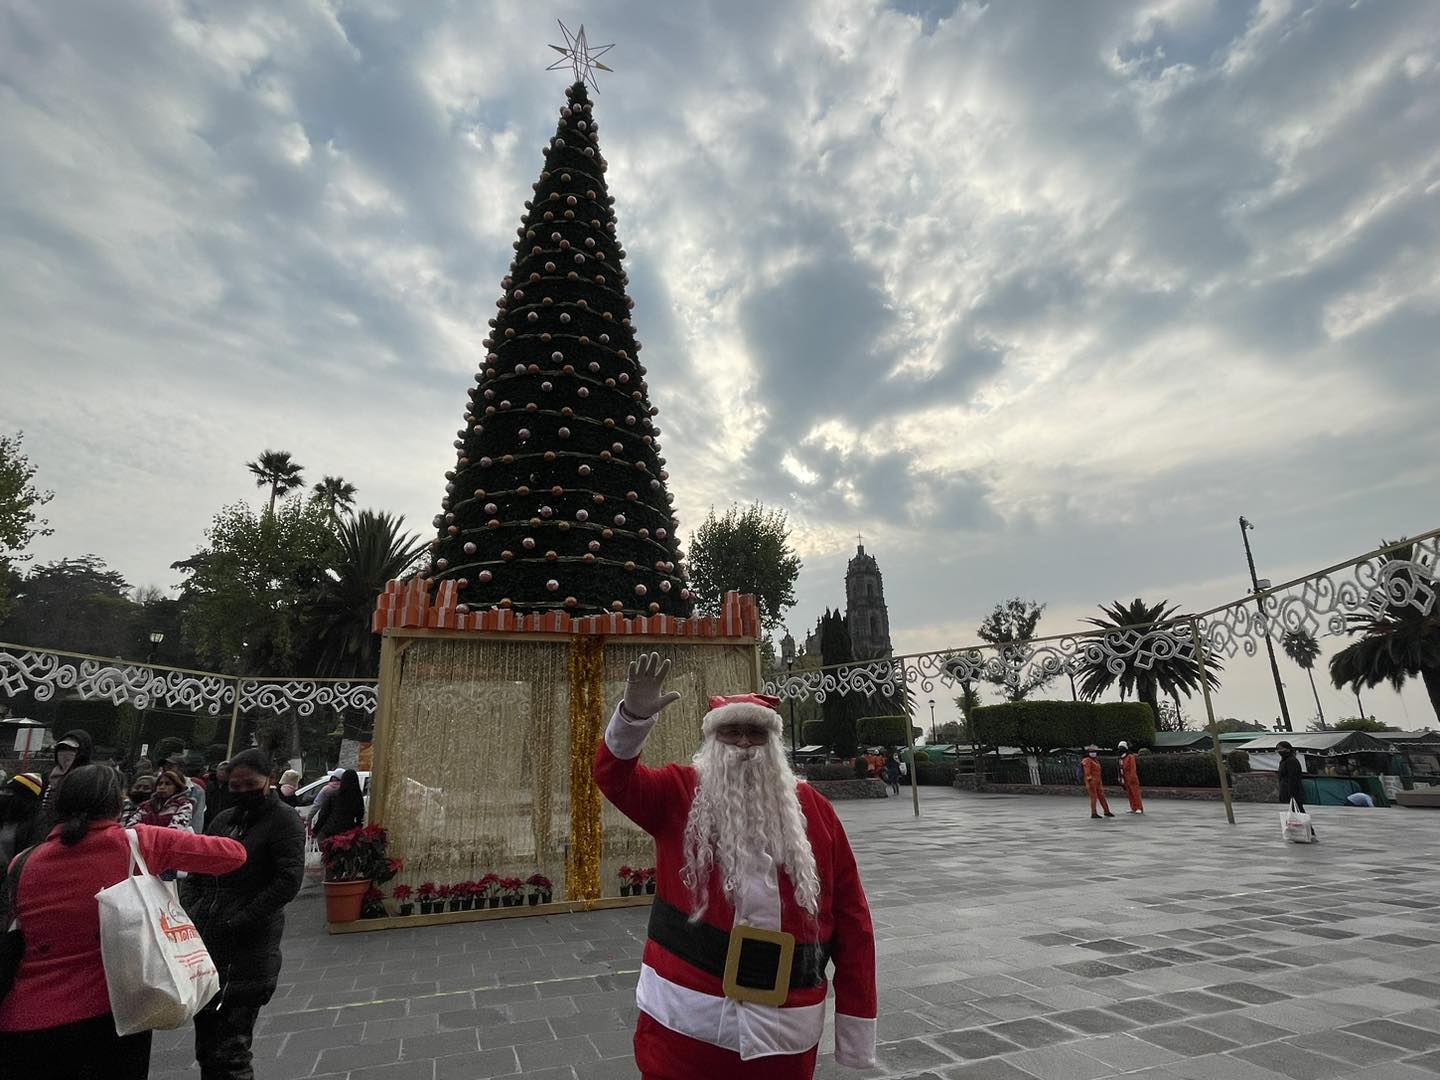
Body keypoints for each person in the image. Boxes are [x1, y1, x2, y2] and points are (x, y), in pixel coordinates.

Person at [594, 653, 877, 1079]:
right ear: (713, 740)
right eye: (731, 732)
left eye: (755, 733)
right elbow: (615, 778)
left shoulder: (816, 812)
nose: (744, 744)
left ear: (773, 743)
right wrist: (632, 717)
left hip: (786, 1031)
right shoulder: (678, 792)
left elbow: (853, 922)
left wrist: (855, 1027)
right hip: (686, 1024)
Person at [0, 764, 246, 1079]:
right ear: (118, 804)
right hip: (111, 1016)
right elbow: (233, 855)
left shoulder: (23, 862)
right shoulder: (137, 842)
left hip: (24, 1019)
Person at [181, 748, 305, 1079]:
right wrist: (194, 908)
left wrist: (242, 917)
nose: (242, 791)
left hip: (249, 950)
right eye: (234, 785)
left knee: (231, 1050)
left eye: (250, 784)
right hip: (208, 947)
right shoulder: (224, 820)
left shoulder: (284, 821)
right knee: (207, 1048)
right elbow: (198, 866)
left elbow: (288, 880)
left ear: (269, 781)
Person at [0, 772, 47, 866]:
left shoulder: (38, 823)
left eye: (9, 792)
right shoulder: (3, 814)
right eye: (3, 791)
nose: (3, 795)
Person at [41, 729, 93, 813]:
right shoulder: (47, 776)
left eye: (72, 749)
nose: (66, 753)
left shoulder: (91, 779)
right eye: (62, 748)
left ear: (82, 751)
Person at [1276, 740, 1317, 841]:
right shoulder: (1284, 761)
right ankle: (1306, 832)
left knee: (1299, 812)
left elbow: (1293, 777)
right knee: (1297, 812)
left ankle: (1309, 833)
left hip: (1294, 791)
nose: (1279, 751)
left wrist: (1292, 793)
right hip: (1290, 790)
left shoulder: (1291, 761)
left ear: (1288, 749)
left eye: (1281, 748)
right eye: (1278, 749)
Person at [311, 768, 364, 841]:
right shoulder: (358, 797)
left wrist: (315, 830)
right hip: (348, 832)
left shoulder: (334, 795)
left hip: (331, 831)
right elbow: (360, 815)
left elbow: (324, 814)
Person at [1082, 745, 1113, 819]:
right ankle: (1094, 813)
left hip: (1098, 781)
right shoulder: (1087, 760)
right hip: (1091, 781)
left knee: (1101, 796)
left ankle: (1106, 811)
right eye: (1092, 752)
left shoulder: (1095, 760)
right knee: (1094, 798)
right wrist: (1090, 780)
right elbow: (1087, 772)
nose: (1093, 753)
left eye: (1094, 752)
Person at [1117, 741, 1143, 814]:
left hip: (1132, 778)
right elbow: (1119, 768)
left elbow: (1132, 768)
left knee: (1135, 793)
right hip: (1125, 778)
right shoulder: (1120, 758)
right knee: (1129, 794)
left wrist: (1132, 777)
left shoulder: (1130, 756)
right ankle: (1133, 807)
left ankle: (1139, 807)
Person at [203, 761, 230, 829]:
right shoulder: (209, 785)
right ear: (217, 771)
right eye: (221, 769)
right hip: (208, 821)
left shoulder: (232, 788)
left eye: (226, 770)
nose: (223, 772)